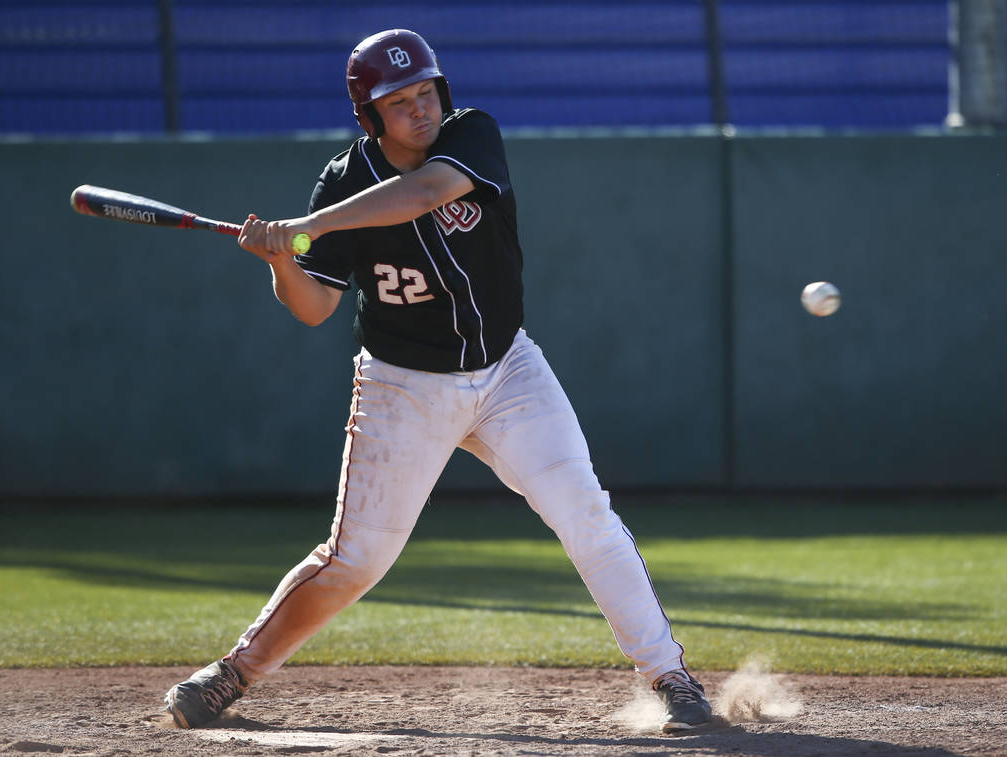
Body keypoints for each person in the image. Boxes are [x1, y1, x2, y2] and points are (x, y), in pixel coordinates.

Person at [163, 28, 711, 735]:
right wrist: (281, 259)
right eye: (399, 101)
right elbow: (315, 308)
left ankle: (670, 676)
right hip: (403, 384)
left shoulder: (471, 135)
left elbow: (425, 192)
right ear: (370, 114)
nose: (419, 109)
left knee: (585, 513)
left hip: (508, 369)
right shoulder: (342, 181)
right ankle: (231, 673)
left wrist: (307, 226)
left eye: (426, 91)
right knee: (356, 559)